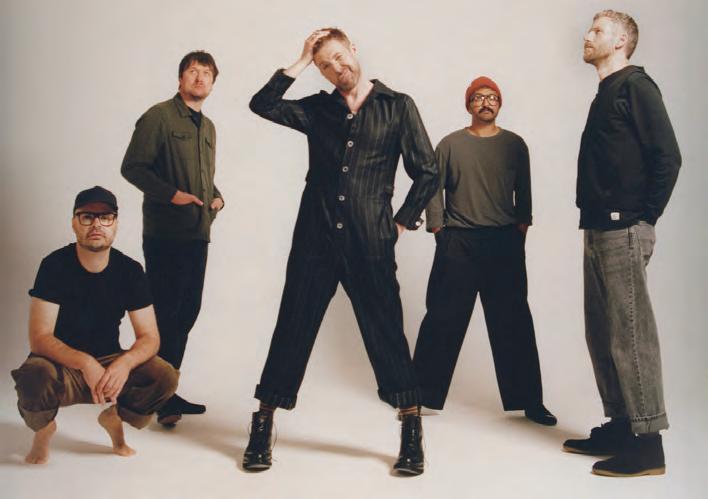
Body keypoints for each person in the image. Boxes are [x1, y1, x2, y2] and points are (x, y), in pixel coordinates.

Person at [243, 28, 438, 475]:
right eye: (325, 65)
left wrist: (401, 222)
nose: (337, 68)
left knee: (386, 330)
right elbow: (262, 104)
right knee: (293, 323)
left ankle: (411, 429)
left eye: (338, 57)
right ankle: (263, 423)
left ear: (353, 49)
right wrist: (300, 60)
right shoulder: (317, 109)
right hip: (315, 237)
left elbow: (428, 171)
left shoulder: (397, 106)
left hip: (370, 241)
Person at [563, 10, 681, 477]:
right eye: (590, 28)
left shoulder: (636, 86)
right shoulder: (607, 92)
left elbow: (668, 157)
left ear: (620, 42)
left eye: (597, 31)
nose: (587, 35)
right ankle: (621, 426)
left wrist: (644, 218)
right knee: (602, 332)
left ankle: (648, 445)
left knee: (630, 335)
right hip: (596, 227)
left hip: (623, 228)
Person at [412, 76, 556, 426]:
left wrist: (521, 227)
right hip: (458, 240)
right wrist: (438, 228)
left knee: (514, 320)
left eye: (492, 97)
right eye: (478, 97)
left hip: (504, 241)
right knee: (442, 317)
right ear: (469, 105)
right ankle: (418, 397)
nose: (486, 102)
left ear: (499, 104)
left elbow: (524, 191)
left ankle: (529, 401)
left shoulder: (515, 145)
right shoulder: (450, 144)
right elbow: (433, 188)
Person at [11, 186, 178, 464]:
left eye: (105, 217)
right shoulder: (54, 265)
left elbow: (150, 337)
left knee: (165, 375)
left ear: (116, 223)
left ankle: (114, 417)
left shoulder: (130, 270)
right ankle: (44, 429)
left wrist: (124, 364)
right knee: (33, 376)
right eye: (87, 216)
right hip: (61, 366)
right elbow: (40, 338)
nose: (97, 224)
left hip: (110, 365)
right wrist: (85, 363)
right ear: (74, 222)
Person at [121, 51, 224, 426]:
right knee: (165, 315)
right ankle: (142, 395)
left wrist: (217, 197)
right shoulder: (159, 116)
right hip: (166, 234)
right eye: (193, 71)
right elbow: (133, 167)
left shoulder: (207, 127)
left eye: (207, 73)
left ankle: (164, 393)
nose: (200, 78)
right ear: (180, 79)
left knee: (186, 313)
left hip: (198, 233)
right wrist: (172, 195)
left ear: (213, 83)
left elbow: (202, 175)